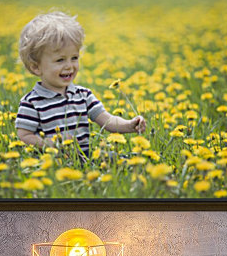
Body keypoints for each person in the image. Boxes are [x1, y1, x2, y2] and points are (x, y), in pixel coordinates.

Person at [15, 11, 146, 156]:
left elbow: (107, 120)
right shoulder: (32, 103)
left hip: (86, 161)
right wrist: (51, 144)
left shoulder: (83, 95)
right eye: (60, 60)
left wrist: (128, 125)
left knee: (118, 158)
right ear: (36, 67)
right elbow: (24, 136)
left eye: (74, 58)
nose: (69, 66)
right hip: (52, 164)